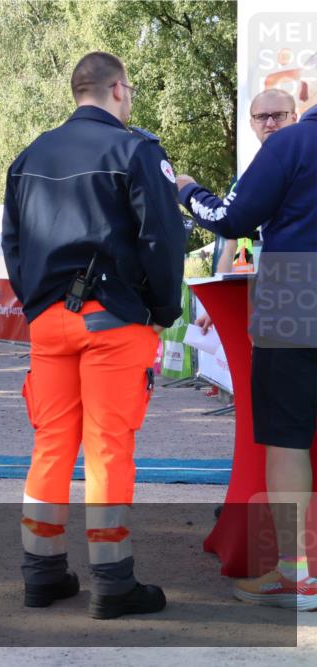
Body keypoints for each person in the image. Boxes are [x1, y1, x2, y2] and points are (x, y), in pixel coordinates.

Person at [2, 52, 185, 619]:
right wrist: (160, 309)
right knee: (109, 450)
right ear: (119, 90)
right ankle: (113, 582)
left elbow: (12, 243)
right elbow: (162, 239)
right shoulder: (136, 151)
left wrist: (39, 304)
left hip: (49, 323)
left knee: (51, 445)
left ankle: (43, 573)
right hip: (113, 321)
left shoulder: (29, 157)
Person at [176, 97, 317, 611]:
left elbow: (233, 219)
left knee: (287, 440)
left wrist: (189, 191)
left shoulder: (291, 144)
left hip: (295, 300)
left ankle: (297, 576)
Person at [197, 89, 297, 330]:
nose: (270, 123)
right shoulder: (246, 178)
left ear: (295, 118)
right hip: (268, 301)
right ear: (252, 123)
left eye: (279, 115)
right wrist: (219, 303)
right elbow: (231, 240)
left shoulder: (305, 163)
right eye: (262, 117)